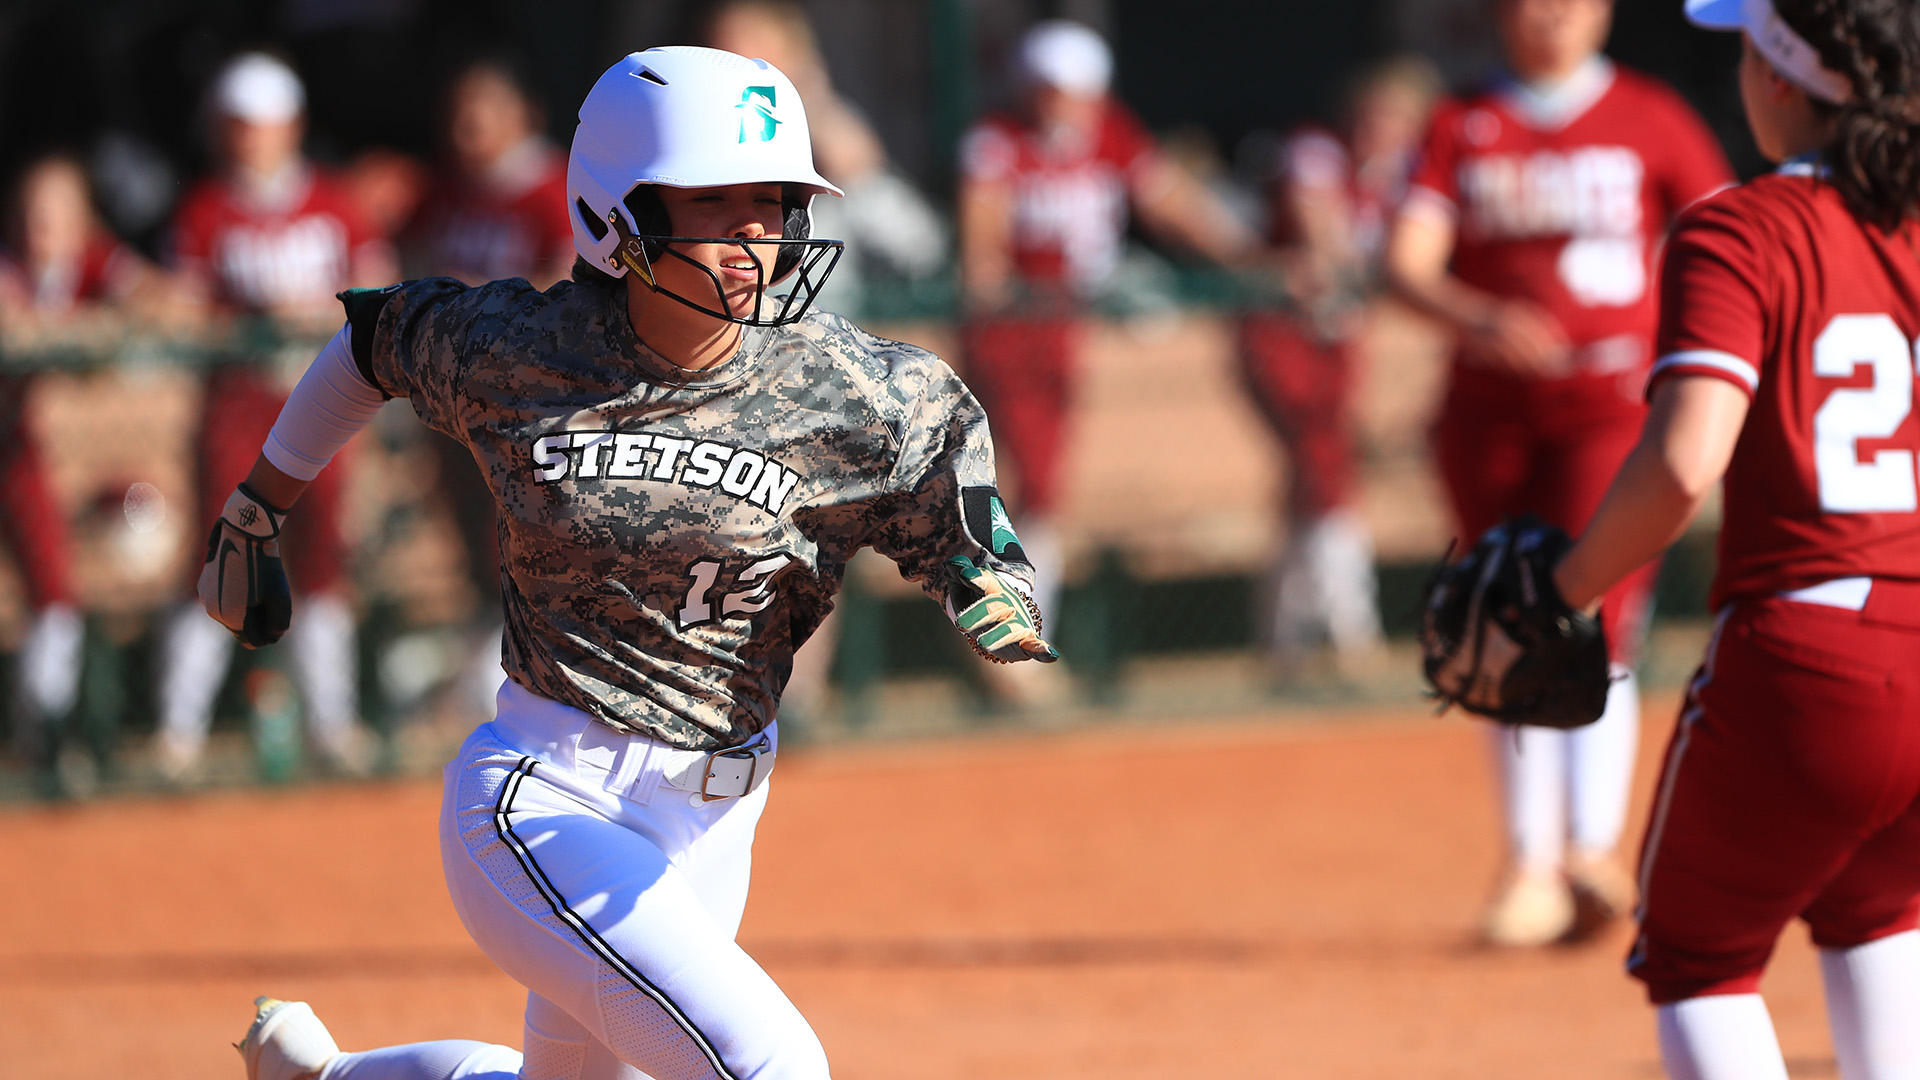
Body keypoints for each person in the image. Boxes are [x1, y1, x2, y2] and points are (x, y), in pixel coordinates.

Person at [219, 45, 1055, 1080]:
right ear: (619, 215)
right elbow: (372, 343)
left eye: (775, 200)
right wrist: (263, 503)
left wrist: (985, 577)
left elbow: (945, 471)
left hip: (717, 815)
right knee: (773, 1064)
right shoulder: (519, 351)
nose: (758, 229)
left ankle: (329, 1077)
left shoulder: (845, 386)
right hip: (548, 794)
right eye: (718, 202)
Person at [1543, 0, 1920, 1074]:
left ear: (1783, 82)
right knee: (1880, 905)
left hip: (1812, 654)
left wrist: (1570, 588)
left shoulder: (1740, 226)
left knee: (1700, 958)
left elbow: (1679, 464)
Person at [1384, 0, 1733, 946]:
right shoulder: (1461, 124)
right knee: (1495, 619)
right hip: (1490, 414)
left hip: (1614, 405)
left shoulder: (1652, 116)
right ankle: (1528, 862)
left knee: (1595, 608)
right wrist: (1475, 315)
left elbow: (1724, 242)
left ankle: (1591, 850)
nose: (1552, 15)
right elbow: (1405, 263)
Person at [958, 19, 1258, 633]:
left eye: (1080, 90)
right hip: (1015, 328)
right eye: (1056, 88)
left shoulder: (1109, 132)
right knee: (1006, 479)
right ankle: (1002, 627)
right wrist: (990, 278)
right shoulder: (999, 138)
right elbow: (982, 236)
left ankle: (1020, 627)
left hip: (1067, 322)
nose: (1069, 102)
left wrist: (1248, 258)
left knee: (1044, 484)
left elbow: (1173, 204)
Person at [157, 51, 396, 781]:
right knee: (224, 545)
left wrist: (314, 315)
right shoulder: (206, 208)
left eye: (261, 127)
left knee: (323, 557)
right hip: (237, 404)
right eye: (236, 127)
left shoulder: (332, 202)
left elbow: (381, 281)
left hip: (325, 400)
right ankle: (178, 732)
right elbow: (180, 298)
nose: (249, 142)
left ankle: (332, 724)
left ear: (290, 127)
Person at [1237, 55, 1440, 679]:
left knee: (1315, 478)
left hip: (1341, 341)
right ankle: (1353, 635)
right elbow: (1324, 235)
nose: (1383, 130)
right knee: (1324, 466)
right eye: (1375, 115)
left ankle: (1284, 643)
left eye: (1400, 120)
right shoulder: (1315, 152)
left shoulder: (1400, 178)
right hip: (1282, 337)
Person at [0, 153, 159, 767]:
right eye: (28, 211)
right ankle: (44, 729)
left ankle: (54, 730)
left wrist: (105, 322)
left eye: (55, 210)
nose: (39, 223)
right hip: (21, 450)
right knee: (49, 589)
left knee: (59, 591)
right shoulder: (11, 271)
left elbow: (158, 296)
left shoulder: (92, 262)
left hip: (56, 456)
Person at [700, 0, 948, 321]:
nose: (733, 55)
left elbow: (921, 250)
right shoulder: (692, 142)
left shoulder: (826, 132)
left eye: (754, 45)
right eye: (722, 45)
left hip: (817, 338)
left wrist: (858, 170)